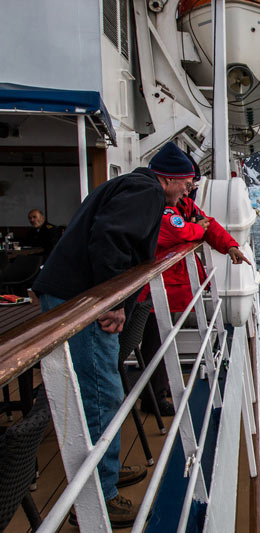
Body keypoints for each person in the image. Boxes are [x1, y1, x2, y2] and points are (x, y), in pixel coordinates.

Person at [32, 142, 195, 528]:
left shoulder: (131, 184)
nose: (188, 192)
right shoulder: (147, 191)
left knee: (99, 387)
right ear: (169, 178)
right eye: (186, 184)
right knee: (102, 390)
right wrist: (112, 300)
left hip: (74, 292)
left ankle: (103, 468)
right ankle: (99, 496)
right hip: (83, 299)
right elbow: (110, 237)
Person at [138, 170, 251, 416]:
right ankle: (153, 400)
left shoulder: (183, 205)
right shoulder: (164, 209)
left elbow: (208, 225)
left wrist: (229, 245)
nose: (189, 190)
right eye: (188, 185)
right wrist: (195, 228)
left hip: (171, 290)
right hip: (157, 291)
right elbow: (179, 232)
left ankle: (160, 388)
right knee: (155, 344)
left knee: (164, 341)